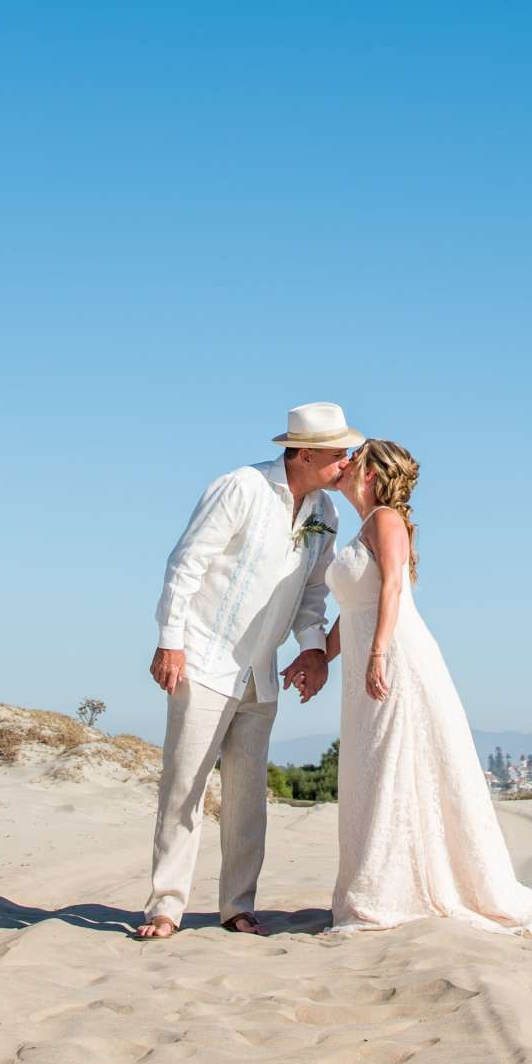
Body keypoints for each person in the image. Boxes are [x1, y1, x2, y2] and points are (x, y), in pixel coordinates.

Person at [323, 440, 532, 934]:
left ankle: (393, 892)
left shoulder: (385, 520)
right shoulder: (365, 526)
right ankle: (384, 885)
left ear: (371, 472)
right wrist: (319, 658)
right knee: (373, 769)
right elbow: (354, 607)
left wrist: (376, 652)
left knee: (392, 766)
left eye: (356, 456)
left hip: (395, 658)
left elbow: (393, 587)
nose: (346, 461)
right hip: (364, 660)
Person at [135, 402, 358, 939]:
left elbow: (312, 594)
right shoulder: (240, 487)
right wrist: (170, 641)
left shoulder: (326, 513)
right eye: (337, 454)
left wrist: (310, 651)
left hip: (262, 669)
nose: (347, 463)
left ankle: (237, 904)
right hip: (206, 657)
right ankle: (165, 906)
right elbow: (185, 562)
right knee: (184, 787)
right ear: (304, 453)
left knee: (247, 793)